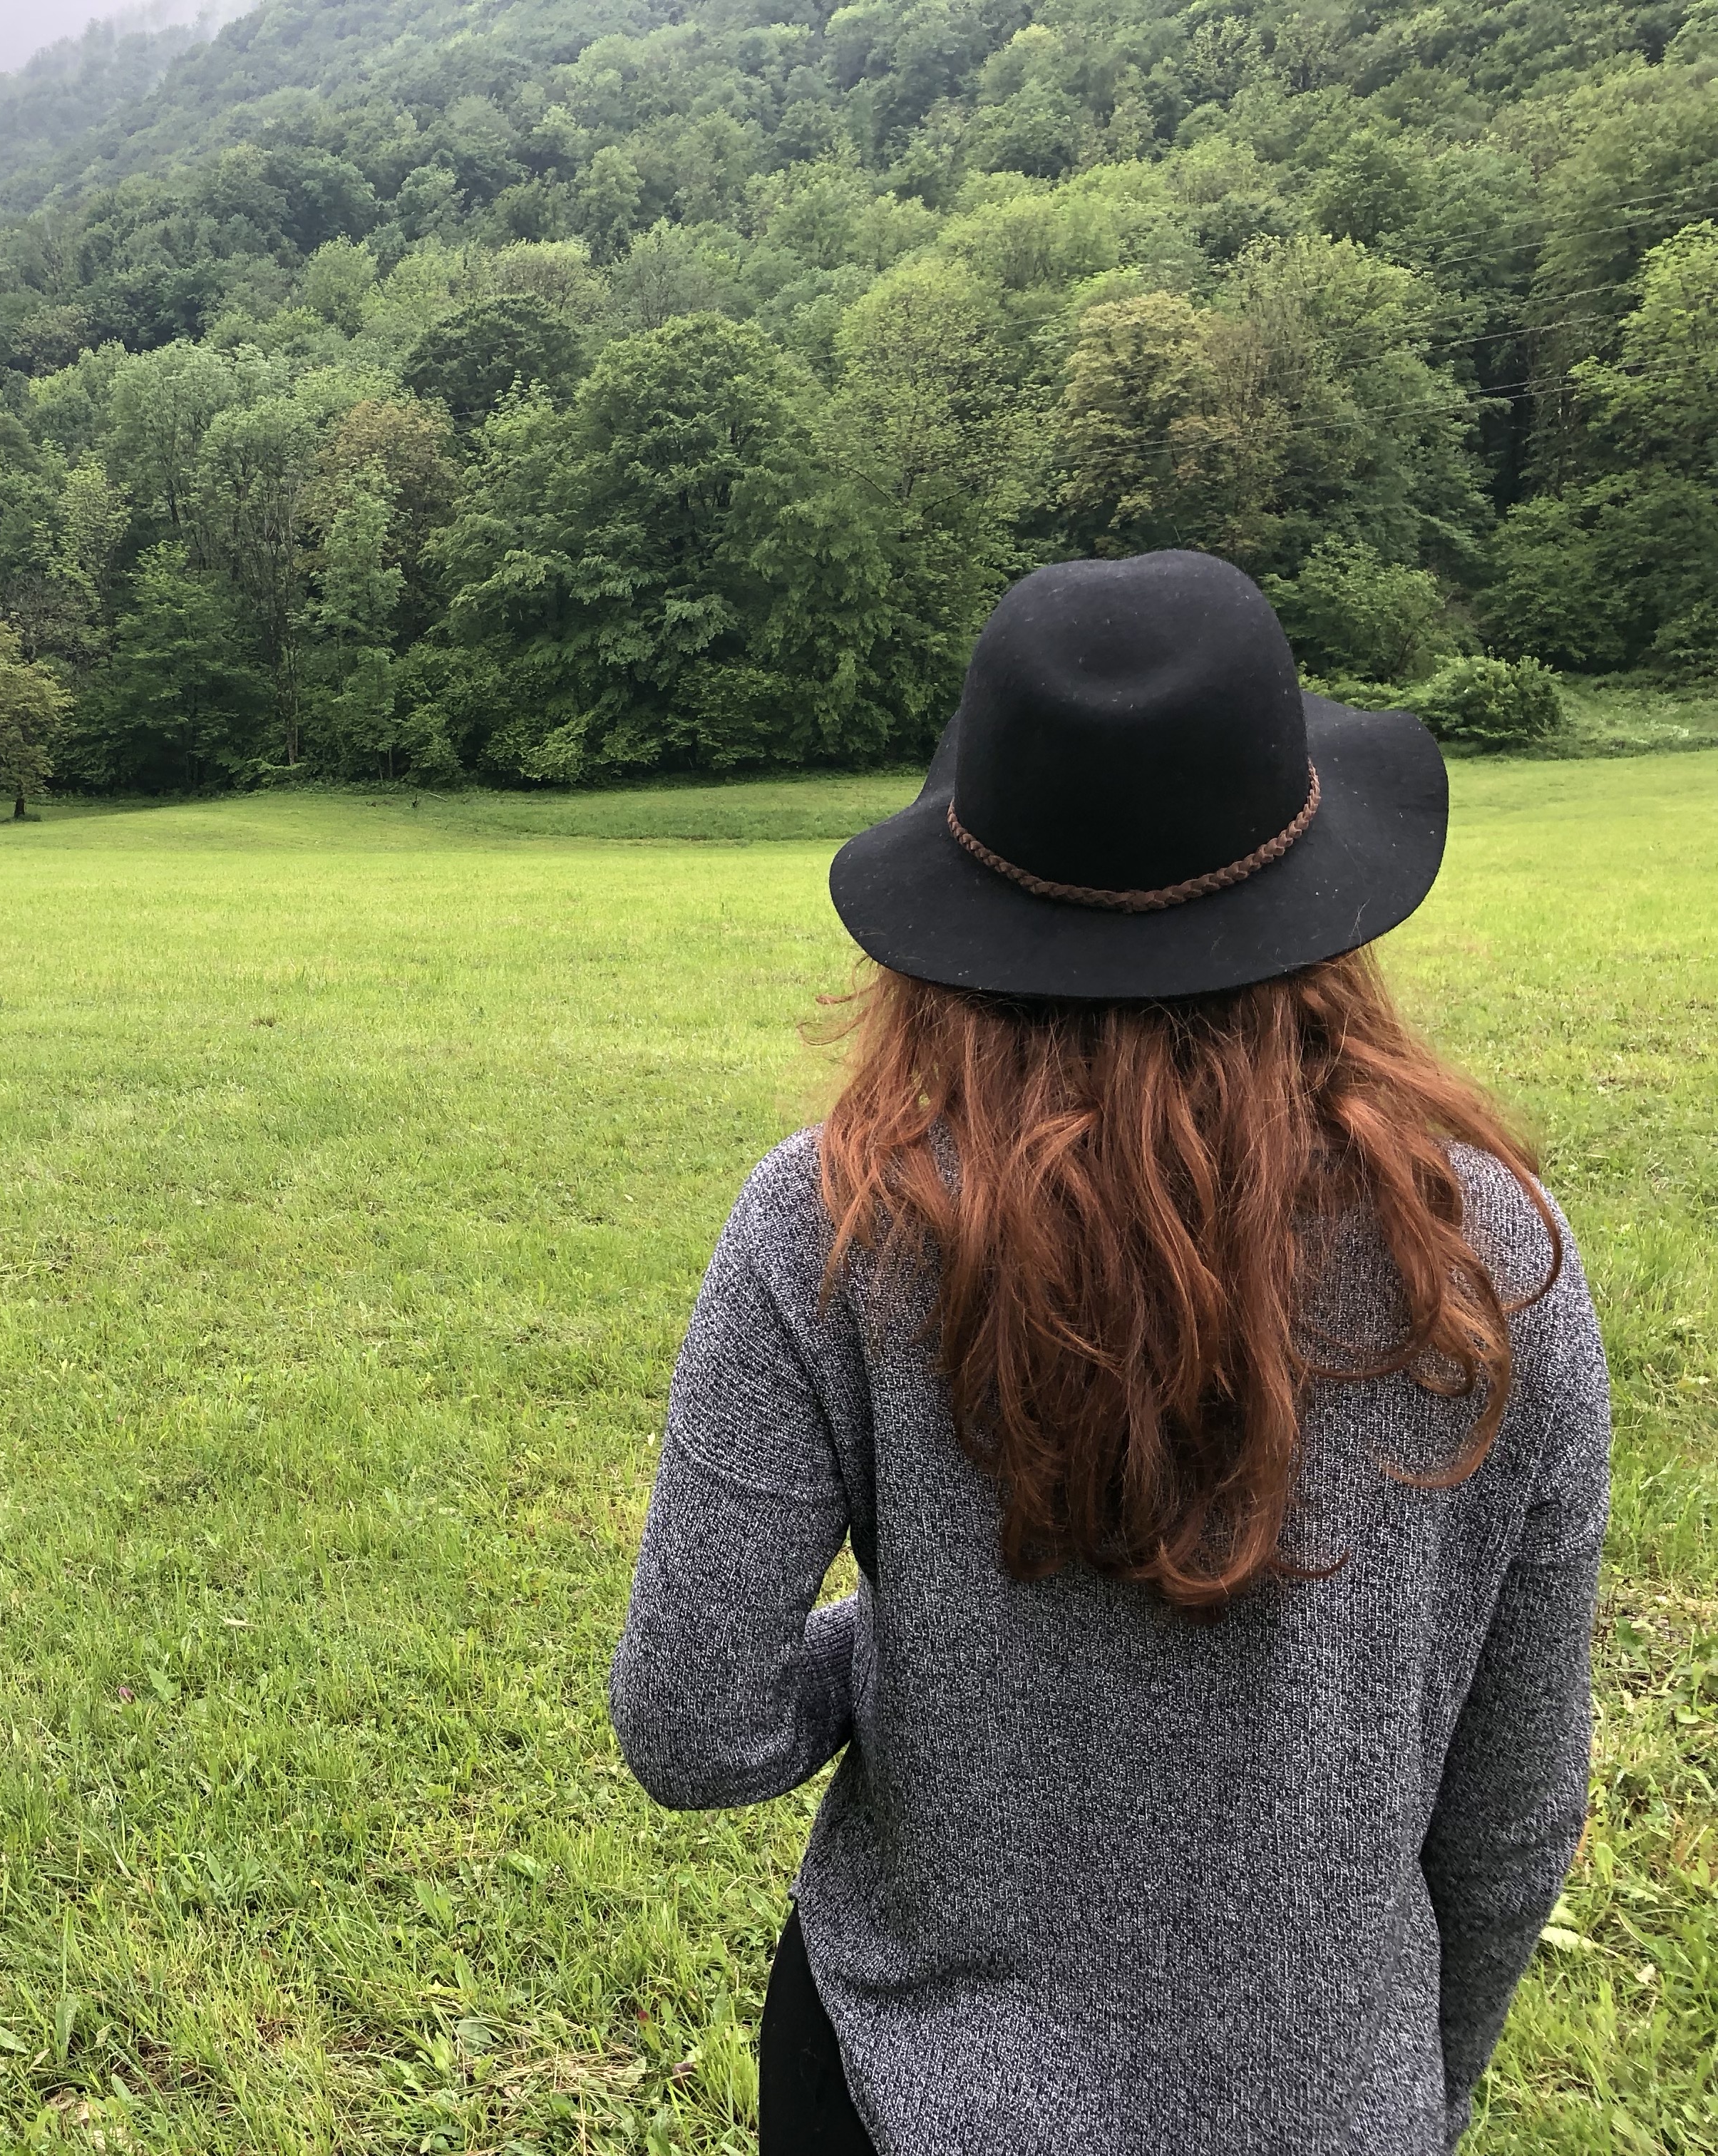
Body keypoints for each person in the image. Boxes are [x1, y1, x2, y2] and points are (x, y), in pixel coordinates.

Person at [608, 550, 1609, 2154]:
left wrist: (912, 1652)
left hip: (904, 2096)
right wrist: (1421, 2093)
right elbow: (1514, 1816)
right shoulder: (1493, 1259)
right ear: (1319, 883)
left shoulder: (835, 1223)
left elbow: (692, 1725)